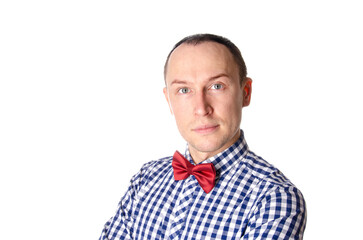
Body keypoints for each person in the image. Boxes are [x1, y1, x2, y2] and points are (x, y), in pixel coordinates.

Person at [99, 34, 307, 239]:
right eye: (184, 90)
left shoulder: (274, 198)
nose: (201, 108)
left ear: (245, 92)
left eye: (217, 86)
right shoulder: (145, 179)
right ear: (169, 100)